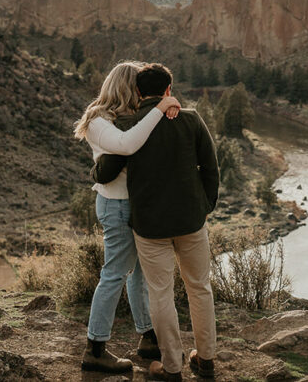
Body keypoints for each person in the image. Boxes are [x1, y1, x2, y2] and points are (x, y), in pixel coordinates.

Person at [93, 63, 219, 381]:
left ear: (137, 91)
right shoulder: (190, 118)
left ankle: (171, 367)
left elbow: (108, 169)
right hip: (191, 221)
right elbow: (211, 166)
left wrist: (94, 173)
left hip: (150, 226)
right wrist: (205, 206)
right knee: (200, 288)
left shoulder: (129, 125)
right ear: (168, 90)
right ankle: (206, 360)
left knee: (160, 293)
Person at [73, 60, 181, 374]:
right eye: (139, 88)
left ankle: (148, 337)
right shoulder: (98, 120)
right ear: (127, 87)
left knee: (140, 276)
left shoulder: (128, 117)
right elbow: (127, 146)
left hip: (137, 205)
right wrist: (160, 109)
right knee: (114, 274)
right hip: (117, 206)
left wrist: (165, 110)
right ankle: (95, 349)